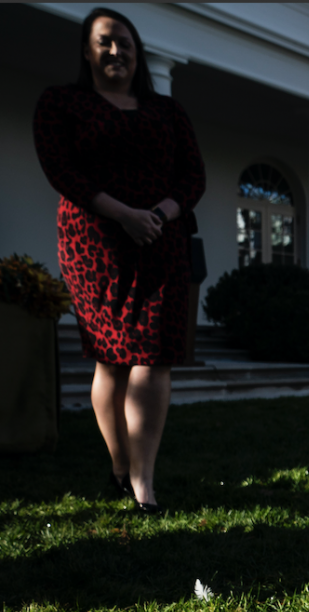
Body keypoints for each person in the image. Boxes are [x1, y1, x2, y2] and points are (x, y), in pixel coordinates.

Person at [33, 7, 206, 513]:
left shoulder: (168, 112)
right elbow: (60, 169)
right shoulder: (61, 103)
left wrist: (157, 213)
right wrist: (123, 214)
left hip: (161, 242)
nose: (116, 51)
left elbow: (193, 177)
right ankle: (118, 464)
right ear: (87, 50)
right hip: (94, 247)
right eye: (105, 42)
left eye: (125, 43)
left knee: (154, 357)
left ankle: (144, 481)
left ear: (139, 53)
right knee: (111, 359)